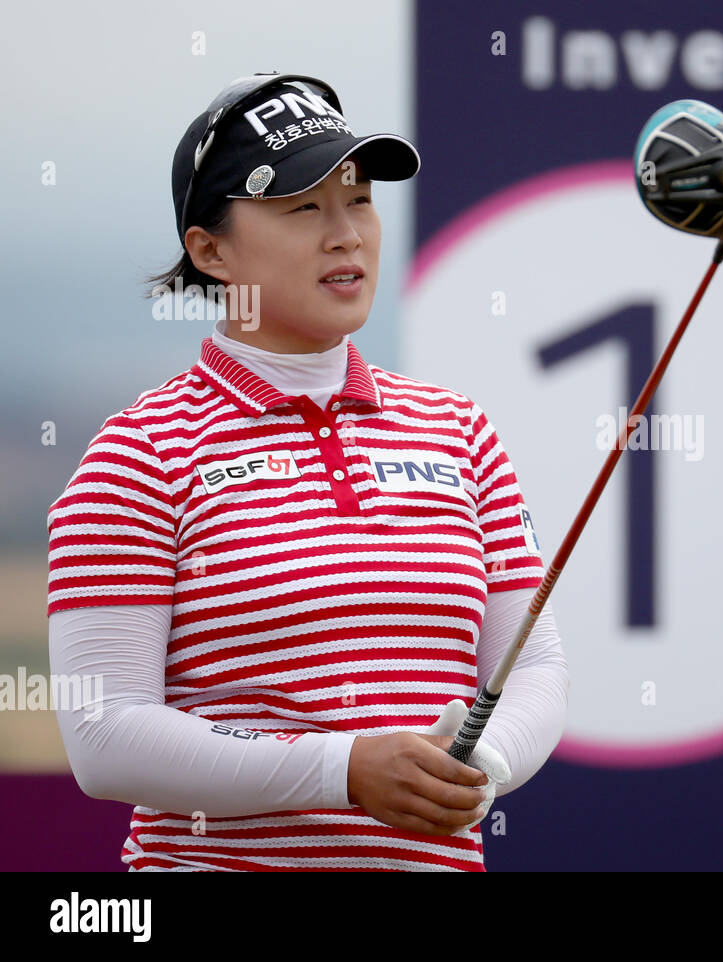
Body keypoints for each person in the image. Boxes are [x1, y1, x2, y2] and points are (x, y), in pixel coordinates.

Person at [45, 73, 568, 871]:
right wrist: (344, 771)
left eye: (358, 200)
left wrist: (479, 768)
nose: (346, 234)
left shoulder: (459, 429)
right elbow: (104, 733)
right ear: (210, 250)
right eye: (302, 209)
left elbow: (532, 665)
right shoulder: (139, 451)